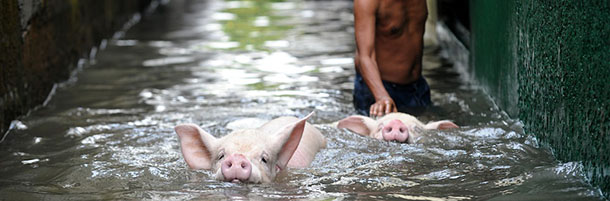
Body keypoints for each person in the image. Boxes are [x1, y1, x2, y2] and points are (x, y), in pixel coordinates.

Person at [353, 0, 431, 117]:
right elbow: (365, 56)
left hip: (417, 87)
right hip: (379, 90)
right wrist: (381, 97)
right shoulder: (367, 2)